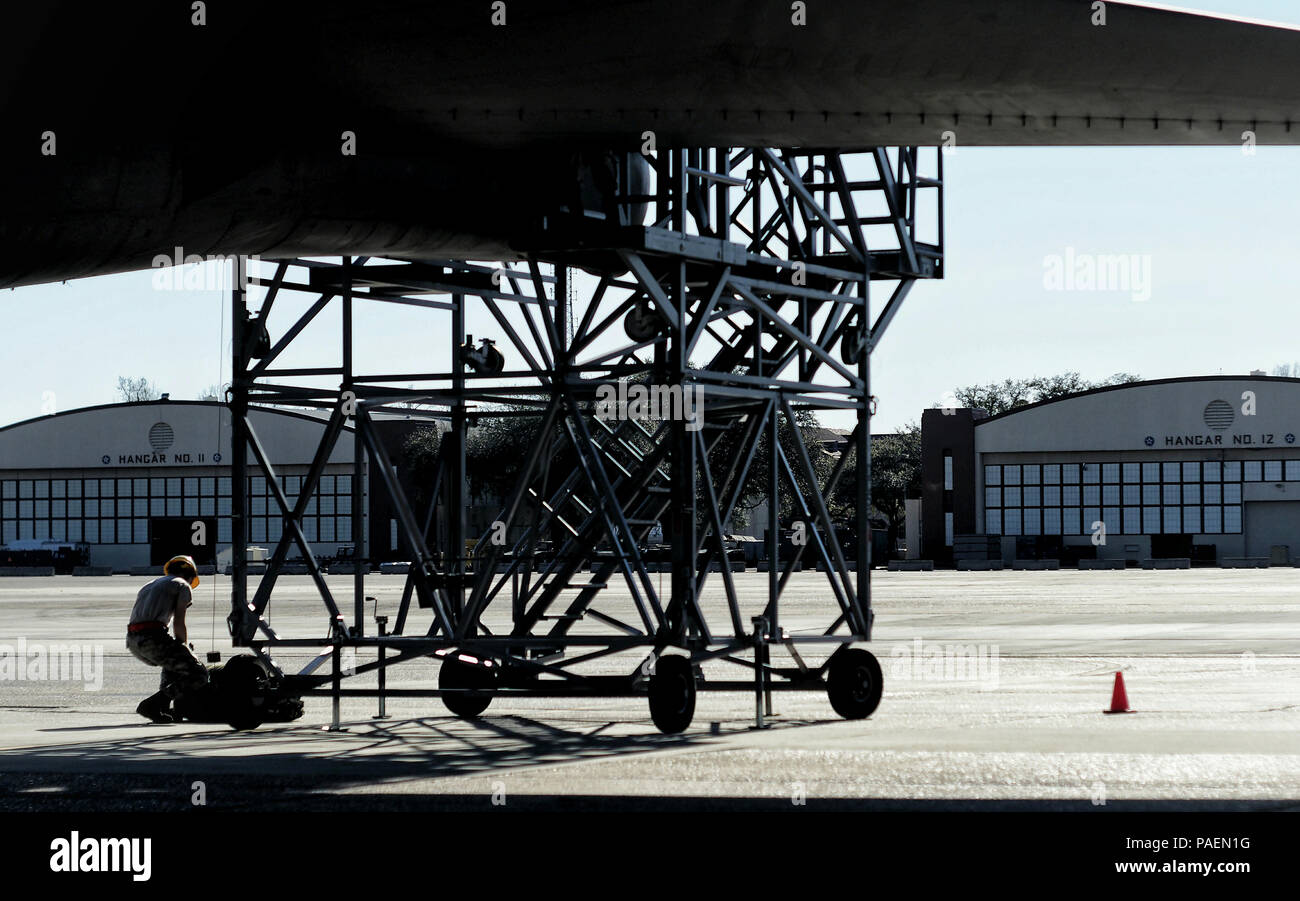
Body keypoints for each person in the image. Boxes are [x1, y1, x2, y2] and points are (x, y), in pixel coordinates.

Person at [126, 555, 210, 723]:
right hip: (153, 636)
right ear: (191, 575)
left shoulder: (150, 585)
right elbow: (179, 622)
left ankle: (163, 709)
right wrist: (185, 646)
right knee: (199, 674)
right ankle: (155, 703)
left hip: (133, 640)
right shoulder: (182, 585)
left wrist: (181, 648)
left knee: (173, 662)